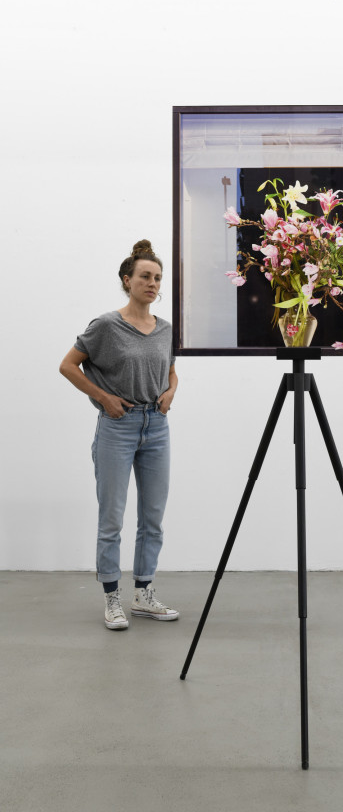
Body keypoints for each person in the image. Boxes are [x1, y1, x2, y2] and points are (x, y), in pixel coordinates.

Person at [60, 240, 179, 630]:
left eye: (157, 278)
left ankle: (143, 594)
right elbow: (68, 365)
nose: (152, 283)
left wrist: (171, 392)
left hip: (156, 427)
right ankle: (112, 596)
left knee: (153, 517)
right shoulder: (106, 326)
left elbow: (170, 370)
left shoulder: (165, 329)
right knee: (111, 517)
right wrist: (104, 398)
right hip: (118, 427)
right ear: (127, 280)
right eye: (145, 276)